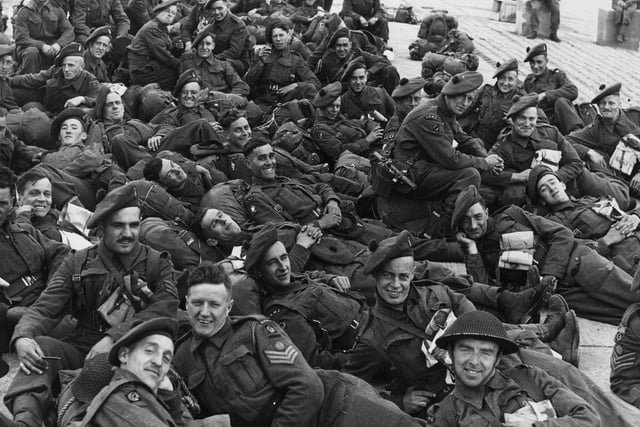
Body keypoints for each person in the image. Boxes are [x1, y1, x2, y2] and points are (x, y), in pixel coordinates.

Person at [342, 231, 579, 418]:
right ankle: (552, 344)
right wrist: (399, 401)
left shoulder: (436, 293)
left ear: (412, 274)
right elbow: (351, 388)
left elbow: (476, 319)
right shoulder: (372, 337)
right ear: (375, 277)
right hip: (462, 400)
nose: (396, 284)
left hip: (495, 366)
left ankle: (556, 352)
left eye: (402, 276)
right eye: (387, 276)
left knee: (562, 376)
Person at [1, 184, 179, 427]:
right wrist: (23, 336)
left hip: (134, 351)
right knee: (40, 349)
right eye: (118, 226)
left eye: (134, 225)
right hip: (82, 346)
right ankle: (24, 420)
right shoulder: (78, 262)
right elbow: (45, 307)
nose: (128, 233)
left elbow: (164, 308)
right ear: (101, 228)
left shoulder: (157, 263)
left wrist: (114, 338)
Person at [172, 261, 427, 426]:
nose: (205, 312)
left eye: (214, 304)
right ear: (186, 303)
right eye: (197, 303)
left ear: (228, 307)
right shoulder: (181, 357)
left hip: (335, 407)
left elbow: (307, 388)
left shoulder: (255, 332)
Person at [452, 184, 640, 325]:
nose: (474, 226)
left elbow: (561, 234)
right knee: (625, 316)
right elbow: (486, 291)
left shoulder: (511, 214)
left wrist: (551, 273)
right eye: (466, 221)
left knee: (634, 295)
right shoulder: (474, 255)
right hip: (562, 294)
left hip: (578, 264)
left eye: (477, 217)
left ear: (486, 213)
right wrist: (472, 250)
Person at [375, 71, 502, 233]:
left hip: (421, 168)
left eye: (470, 99)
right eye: (461, 97)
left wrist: (487, 157)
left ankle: (459, 211)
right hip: (408, 175)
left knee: (476, 147)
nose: (465, 103)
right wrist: (484, 163)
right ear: (449, 94)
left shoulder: (444, 111)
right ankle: (444, 225)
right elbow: (450, 159)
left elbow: (464, 138)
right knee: (470, 175)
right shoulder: (429, 116)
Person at [425, 310, 602, 425]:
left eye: (485, 353)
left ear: (497, 358)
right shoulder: (446, 414)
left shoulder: (530, 379)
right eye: (465, 350)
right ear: (451, 352)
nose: (474, 361)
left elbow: (589, 418)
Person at [483, 93, 632, 210]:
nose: (528, 124)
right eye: (522, 119)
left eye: (532, 119)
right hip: (548, 194)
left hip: (574, 179)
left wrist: (556, 178)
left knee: (623, 201)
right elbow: (484, 171)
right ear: (512, 120)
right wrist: (516, 177)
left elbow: (575, 163)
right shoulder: (503, 147)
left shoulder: (550, 132)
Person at [0, 166, 70, 381]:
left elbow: (60, 252)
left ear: (12, 202)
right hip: (17, 320)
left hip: (51, 301)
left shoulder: (23, 230)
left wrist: (53, 292)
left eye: (2, 203)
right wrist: (11, 313)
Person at [69, 317, 196, 426]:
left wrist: (170, 399)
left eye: (166, 358)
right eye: (149, 351)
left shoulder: (149, 396)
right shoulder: (121, 401)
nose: (158, 362)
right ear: (124, 355)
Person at [527, 165, 640, 274]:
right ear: (542, 201)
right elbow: (572, 253)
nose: (551, 188)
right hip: (625, 259)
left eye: (552, 182)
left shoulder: (587, 199)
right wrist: (606, 241)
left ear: (563, 185)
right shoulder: (555, 221)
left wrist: (635, 217)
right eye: (544, 189)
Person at [565, 82, 640, 194]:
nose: (606, 107)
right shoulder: (597, 129)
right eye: (602, 104)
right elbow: (567, 140)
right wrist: (589, 152)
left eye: (611, 103)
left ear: (619, 104)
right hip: (625, 176)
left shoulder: (636, 116)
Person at [245, 20, 320, 111]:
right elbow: (249, 82)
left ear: (288, 36)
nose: (278, 39)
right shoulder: (262, 54)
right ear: (271, 38)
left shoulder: (295, 59)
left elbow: (314, 83)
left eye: (281, 35)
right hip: (262, 100)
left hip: (285, 101)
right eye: (275, 36)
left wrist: (295, 85)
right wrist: (259, 62)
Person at [10, 42, 101, 114]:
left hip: (66, 117)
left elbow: (98, 99)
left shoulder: (91, 81)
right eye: (64, 65)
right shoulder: (57, 70)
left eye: (71, 65)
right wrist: (9, 80)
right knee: (12, 93)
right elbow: (34, 79)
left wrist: (83, 99)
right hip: (45, 103)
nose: (66, 69)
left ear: (81, 66)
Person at [459, 58, 527, 150]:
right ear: (497, 78)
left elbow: (532, 123)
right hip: (474, 134)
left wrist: (515, 122)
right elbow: (468, 108)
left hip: (497, 145)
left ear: (516, 80)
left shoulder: (522, 98)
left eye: (510, 79)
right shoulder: (486, 90)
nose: (506, 83)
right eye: (502, 78)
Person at [311, 27, 399, 94]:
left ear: (350, 45)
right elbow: (320, 83)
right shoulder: (326, 61)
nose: (342, 49)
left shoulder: (358, 54)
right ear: (334, 47)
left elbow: (383, 61)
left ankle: (392, 103)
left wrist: (368, 73)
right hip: (346, 94)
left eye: (345, 45)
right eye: (338, 45)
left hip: (365, 87)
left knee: (390, 70)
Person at [311, 81, 381, 164]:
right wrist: (367, 141)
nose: (335, 110)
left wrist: (375, 129)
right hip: (357, 160)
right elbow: (339, 151)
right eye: (331, 106)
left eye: (338, 106)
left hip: (371, 151)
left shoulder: (338, 118)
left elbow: (363, 123)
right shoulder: (320, 130)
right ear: (322, 107)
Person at [523, 42, 583, 134]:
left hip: (562, 119)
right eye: (532, 62)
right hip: (542, 122)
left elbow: (573, 91)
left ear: (546, 61)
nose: (535, 66)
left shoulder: (556, 76)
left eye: (539, 62)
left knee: (561, 101)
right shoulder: (528, 81)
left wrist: (545, 95)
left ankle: (577, 134)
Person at [127, 0, 181, 90]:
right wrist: (181, 64)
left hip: (150, 66)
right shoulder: (152, 29)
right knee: (177, 75)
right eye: (167, 11)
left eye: (173, 13)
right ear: (158, 12)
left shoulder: (162, 28)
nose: (170, 14)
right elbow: (164, 55)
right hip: (142, 71)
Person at [178, 30, 250, 96]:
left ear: (213, 46)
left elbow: (242, 86)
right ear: (196, 46)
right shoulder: (186, 65)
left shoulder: (224, 65)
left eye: (208, 44)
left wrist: (226, 98)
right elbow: (181, 89)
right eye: (201, 44)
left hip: (221, 104)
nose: (204, 47)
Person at [13, 0, 74, 74]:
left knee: (70, 51)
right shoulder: (24, 12)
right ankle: (28, 83)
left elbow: (69, 31)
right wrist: (41, 46)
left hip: (53, 48)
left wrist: (58, 44)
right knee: (31, 52)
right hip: (30, 48)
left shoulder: (57, 10)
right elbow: (21, 37)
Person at [199, 0, 252, 75]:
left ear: (226, 7)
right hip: (214, 57)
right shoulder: (212, 21)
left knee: (221, 65)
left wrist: (211, 59)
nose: (217, 12)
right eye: (213, 9)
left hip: (236, 62)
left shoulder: (238, 25)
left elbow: (234, 52)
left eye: (220, 8)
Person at [382, 77, 424, 151]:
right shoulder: (395, 125)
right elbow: (387, 151)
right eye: (408, 100)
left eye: (417, 99)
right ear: (398, 102)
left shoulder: (418, 115)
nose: (413, 103)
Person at [0, 45, 20, 111]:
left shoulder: (4, 84)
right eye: (0, 61)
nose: (4, 66)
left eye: (8, 62)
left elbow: (14, 108)